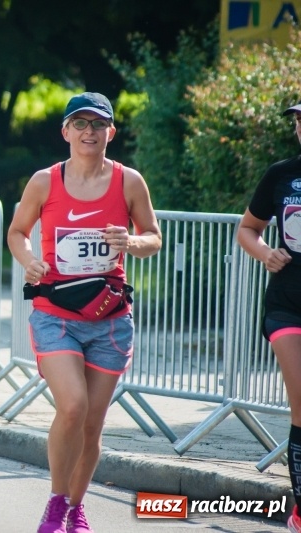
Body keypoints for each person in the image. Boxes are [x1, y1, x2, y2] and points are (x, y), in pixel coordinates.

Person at [7, 92, 161, 533]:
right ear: (66, 132)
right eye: (80, 123)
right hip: (55, 311)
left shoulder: (129, 181)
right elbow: (18, 232)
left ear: (111, 132)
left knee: (92, 426)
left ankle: (76, 509)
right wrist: (28, 259)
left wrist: (131, 242)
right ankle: (56, 503)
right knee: (72, 406)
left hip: (109, 317)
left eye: (98, 124)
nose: (89, 132)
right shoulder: (44, 181)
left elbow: (154, 236)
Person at [238, 101, 301, 533]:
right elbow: (247, 228)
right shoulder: (281, 174)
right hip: (287, 305)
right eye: (299, 121)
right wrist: (265, 252)